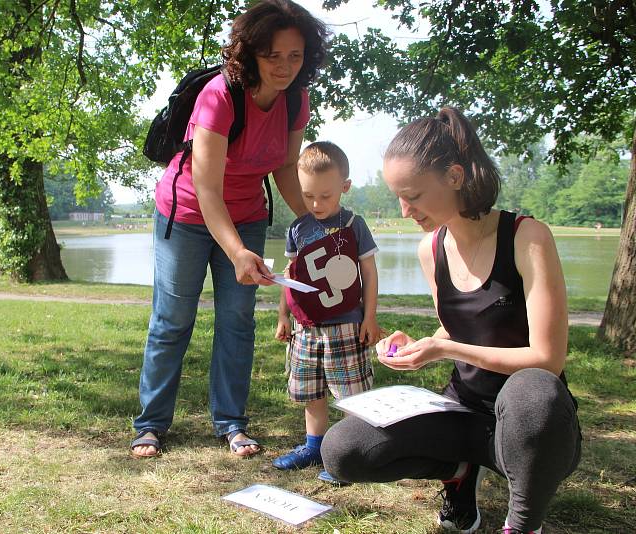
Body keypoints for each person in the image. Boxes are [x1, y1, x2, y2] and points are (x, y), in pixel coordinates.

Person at [321, 107, 582, 534]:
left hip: (535, 425)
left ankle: (522, 524)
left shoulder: (527, 236)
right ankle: (460, 472)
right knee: (344, 450)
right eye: (398, 197)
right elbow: (458, 327)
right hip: (464, 415)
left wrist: (445, 348)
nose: (405, 210)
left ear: (456, 177)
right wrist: (421, 344)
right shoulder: (432, 249)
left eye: (414, 195)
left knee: (534, 391)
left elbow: (547, 359)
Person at [130, 0, 329, 459]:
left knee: (237, 321)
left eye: (295, 56)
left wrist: (317, 223)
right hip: (186, 215)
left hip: (248, 214)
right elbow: (207, 188)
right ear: (250, 53)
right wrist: (238, 252)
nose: (284, 66)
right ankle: (152, 425)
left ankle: (231, 424)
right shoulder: (220, 95)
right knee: (172, 321)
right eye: (273, 55)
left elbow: (283, 168)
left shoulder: (296, 100)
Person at [271, 141, 380, 482]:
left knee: (351, 394)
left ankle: (352, 454)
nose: (316, 204)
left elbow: (370, 273)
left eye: (325, 196)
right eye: (308, 196)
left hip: (346, 326)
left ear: (344, 187)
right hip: (306, 328)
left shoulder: (354, 224)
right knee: (312, 392)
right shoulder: (296, 229)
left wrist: (370, 317)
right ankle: (314, 446)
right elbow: (289, 277)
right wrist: (283, 316)